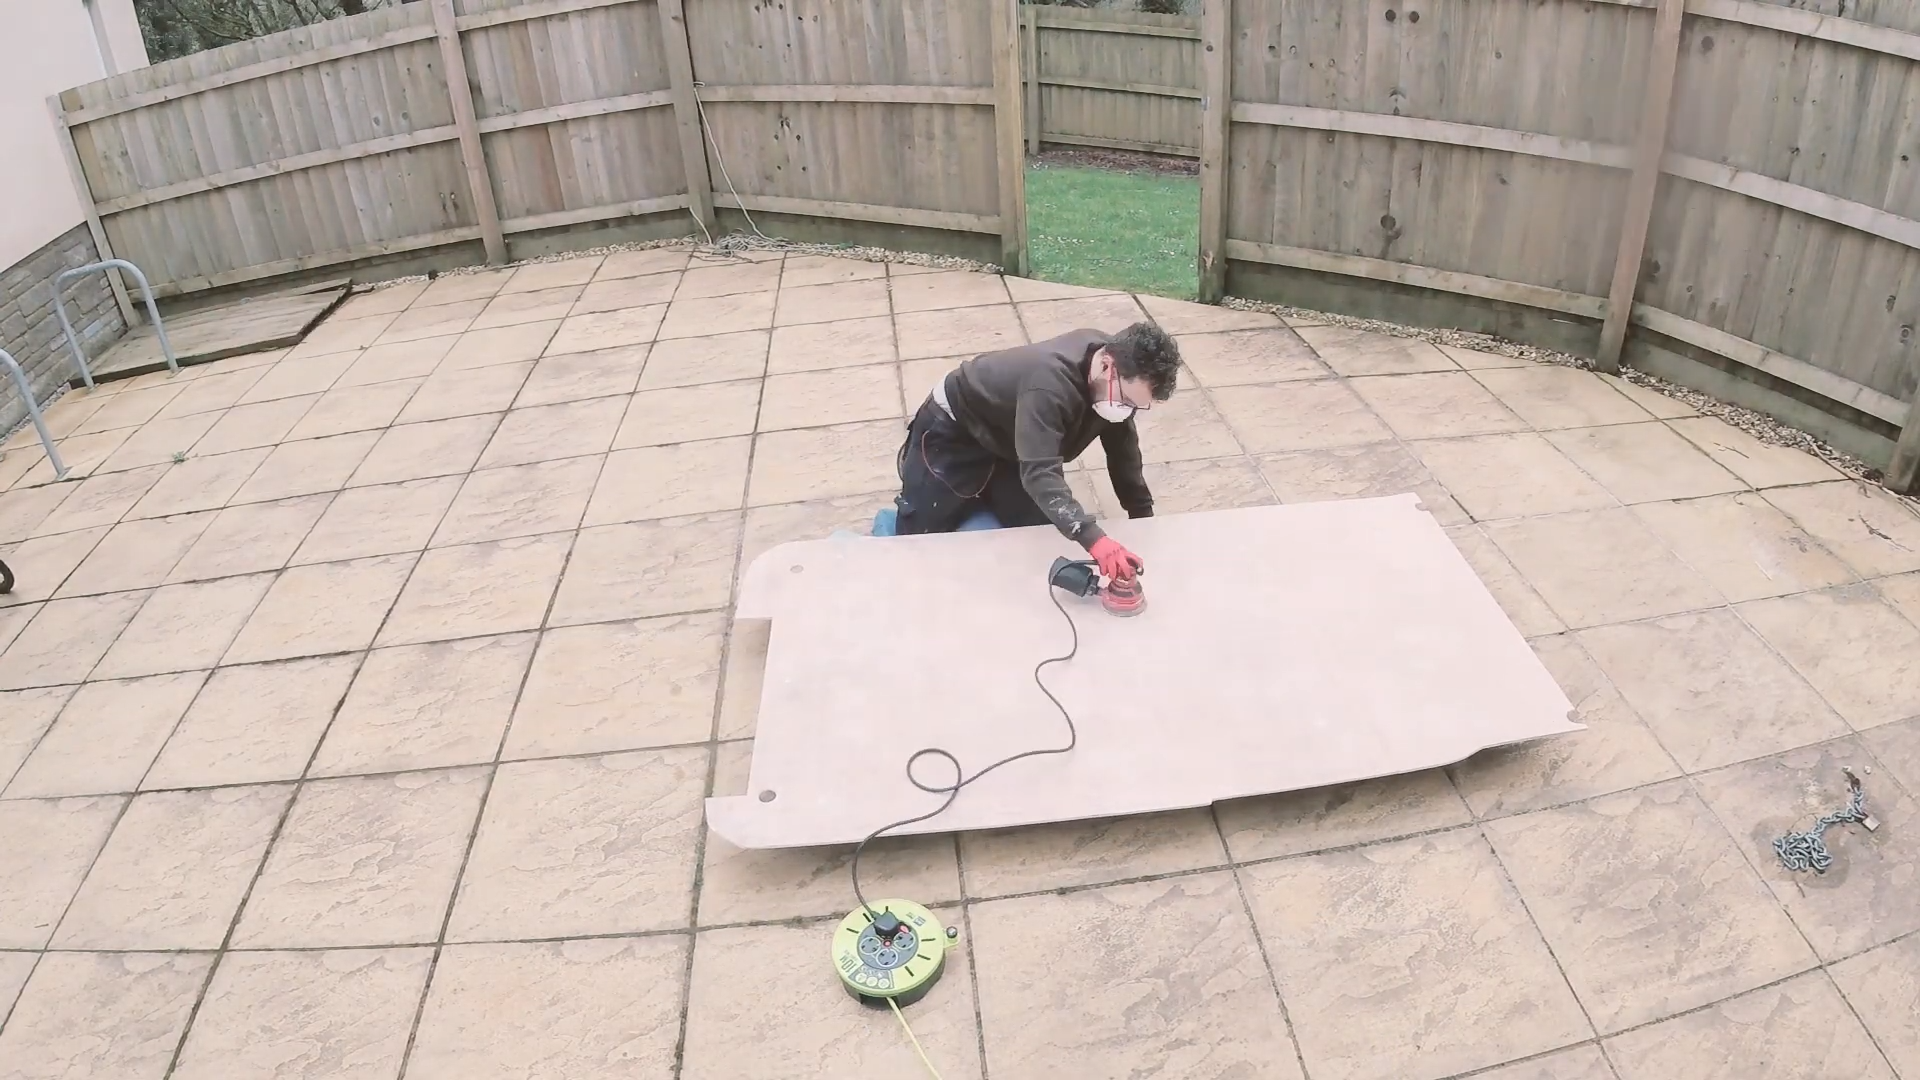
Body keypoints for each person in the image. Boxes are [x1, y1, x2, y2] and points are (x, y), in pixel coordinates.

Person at [891, 322, 1181, 583]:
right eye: (1127, 400)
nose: (1126, 411)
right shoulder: (1048, 385)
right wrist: (1096, 540)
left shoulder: (1116, 373)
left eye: (1136, 406)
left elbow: (1123, 452)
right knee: (918, 541)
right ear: (1107, 366)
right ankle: (897, 521)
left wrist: (1143, 516)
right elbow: (1041, 473)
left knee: (1037, 537)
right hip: (955, 429)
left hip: (1011, 435)